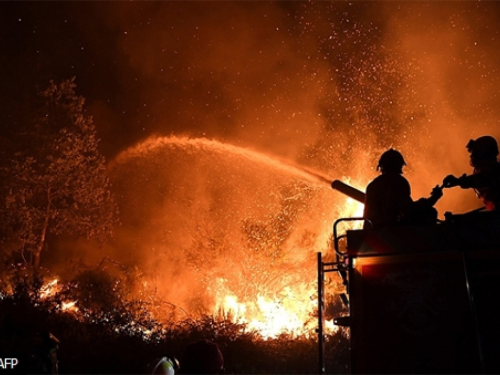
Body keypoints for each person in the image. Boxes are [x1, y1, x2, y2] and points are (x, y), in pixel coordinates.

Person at [364, 149, 442, 229]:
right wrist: (433, 199)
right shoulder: (399, 182)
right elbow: (409, 209)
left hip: (373, 231)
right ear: (399, 166)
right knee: (430, 212)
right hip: (393, 231)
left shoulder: (372, 185)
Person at [443, 135, 500, 212]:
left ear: (483, 153)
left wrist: (458, 181)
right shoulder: (491, 167)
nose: (472, 156)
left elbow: (481, 179)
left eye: (475, 152)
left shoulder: (493, 169)